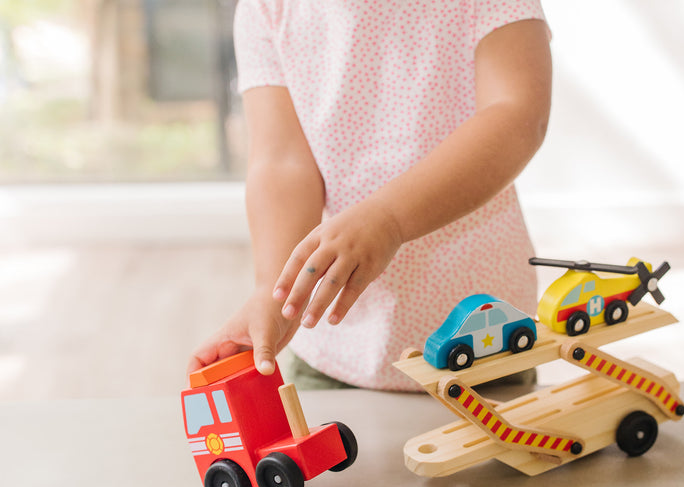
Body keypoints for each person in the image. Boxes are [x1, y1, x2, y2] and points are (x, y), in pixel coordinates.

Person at [188, 0, 552, 391]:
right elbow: (282, 161)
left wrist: (390, 219)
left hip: (485, 336)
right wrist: (273, 292)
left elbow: (517, 116)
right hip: (335, 347)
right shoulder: (267, 8)